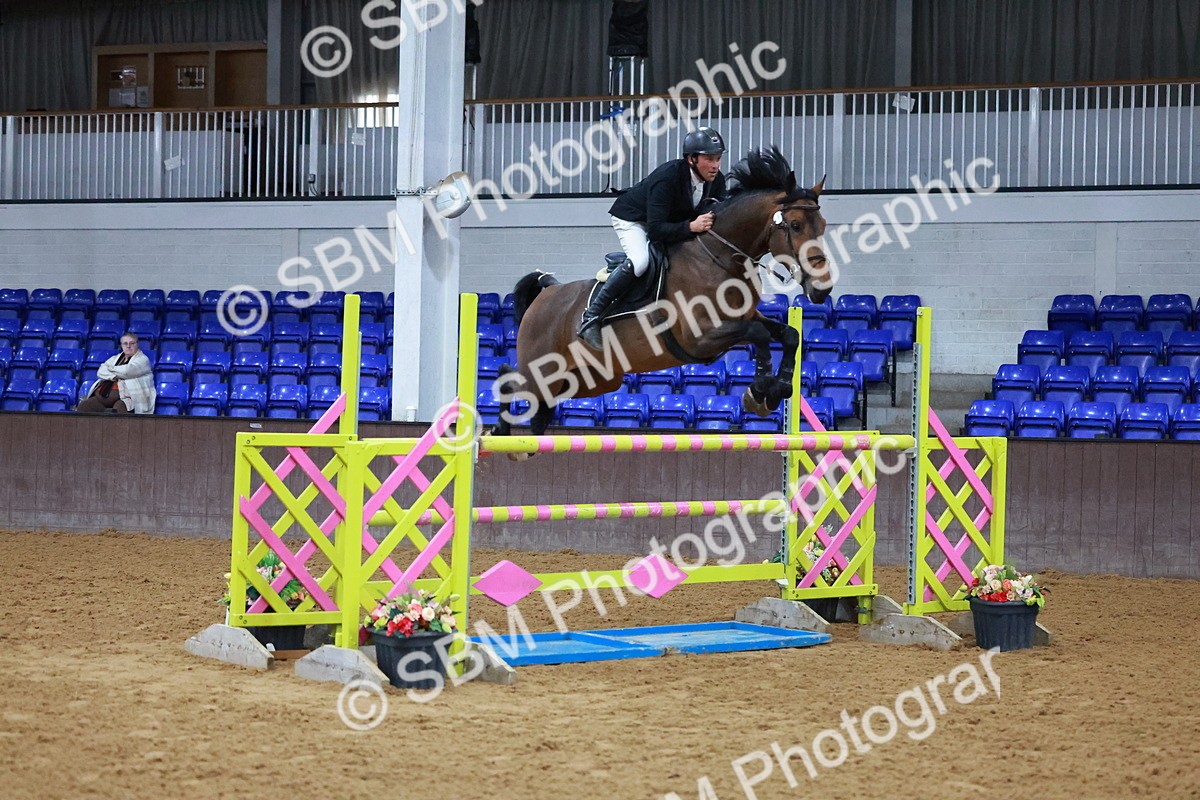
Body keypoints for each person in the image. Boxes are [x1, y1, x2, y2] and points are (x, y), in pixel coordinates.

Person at [577, 126, 729, 348]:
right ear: (692, 159)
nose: (716, 165)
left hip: (671, 221)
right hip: (635, 219)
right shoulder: (667, 178)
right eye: (710, 159)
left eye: (718, 159)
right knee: (641, 261)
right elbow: (656, 230)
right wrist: (691, 226)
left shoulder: (717, 181)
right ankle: (591, 316)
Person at [77, 332, 157, 414]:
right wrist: (116, 375)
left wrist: (110, 369)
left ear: (137, 344)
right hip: (104, 395)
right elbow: (101, 371)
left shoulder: (143, 359)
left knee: (119, 410)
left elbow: (127, 372)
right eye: (125, 343)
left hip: (128, 398)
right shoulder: (115, 358)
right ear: (121, 345)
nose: (128, 346)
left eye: (132, 343)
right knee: (84, 406)